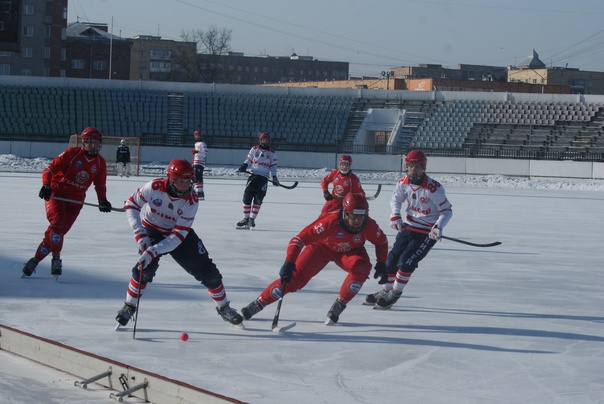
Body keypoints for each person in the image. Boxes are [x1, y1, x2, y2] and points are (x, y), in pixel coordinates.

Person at [115, 158, 243, 327]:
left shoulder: (191, 200)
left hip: (178, 234)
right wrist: (140, 234)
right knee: (144, 269)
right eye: (180, 181)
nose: (185, 185)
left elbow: (177, 238)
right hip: (151, 229)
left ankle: (224, 307)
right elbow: (132, 204)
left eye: (188, 180)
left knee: (208, 271)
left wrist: (154, 251)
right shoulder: (154, 187)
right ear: (171, 179)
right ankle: (129, 306)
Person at [240, 193, 389, 325]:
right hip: (321, 248)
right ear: (345, 213)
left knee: (362, 268)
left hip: (350, 251)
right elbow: (299, 239)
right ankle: (259, 303)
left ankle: (340, 303)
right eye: (354, 215)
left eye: (361, 215)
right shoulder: (330, 222)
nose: (357, 220)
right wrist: (289, 261)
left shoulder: (369, 225)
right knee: (294, 280)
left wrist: (382, 262)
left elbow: (381, 242)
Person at [365, 150, 453, 309]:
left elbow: (447, 211)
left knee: (405, 262)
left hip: (426, 232)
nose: (413, 170)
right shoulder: (403, 183)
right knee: (391, 260)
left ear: (423, 167)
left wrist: (438, 226)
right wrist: (395, 216)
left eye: (417, 166)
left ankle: (395, 293)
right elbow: (395, 200)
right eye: (410, 166)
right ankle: (386, 289)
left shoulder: (434, 188)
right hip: (408, 227)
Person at [22, 127, 112, 279]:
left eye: (93, 142)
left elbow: (100, 185)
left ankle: (34, 261)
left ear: (99, 143)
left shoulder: (100, 163)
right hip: (57, 195)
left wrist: (102, 200)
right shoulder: (71, 154)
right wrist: (46, 185)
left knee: (57, 233)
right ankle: (56, 260)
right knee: (57, 224)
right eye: (87, 141)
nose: (90, 145)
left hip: (76, 201)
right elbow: (49, 170)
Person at [236, 132, 279, 229]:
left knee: (258, 199)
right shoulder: (254, 149)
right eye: (264, 139)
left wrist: (275, 177)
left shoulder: (272, 153)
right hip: (253, 175)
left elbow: (273, 167)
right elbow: (249, 159)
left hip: (263, 178)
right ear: (260, 140)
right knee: (247, 197)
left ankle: (252, 219)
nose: (265, 141)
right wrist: (244, 165)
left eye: (267, 140)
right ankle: (245, 219)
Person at [191, 129, 208, 200]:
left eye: (197, 135)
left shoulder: (202, 144)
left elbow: (205, 153)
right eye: (195, 135)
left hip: (200, 162)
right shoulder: (196, 144)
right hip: (196, 162)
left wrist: (197, 152)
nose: (196, 136)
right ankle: (198, 191)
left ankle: (199, 192)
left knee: (198, 177)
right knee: (195, 177)